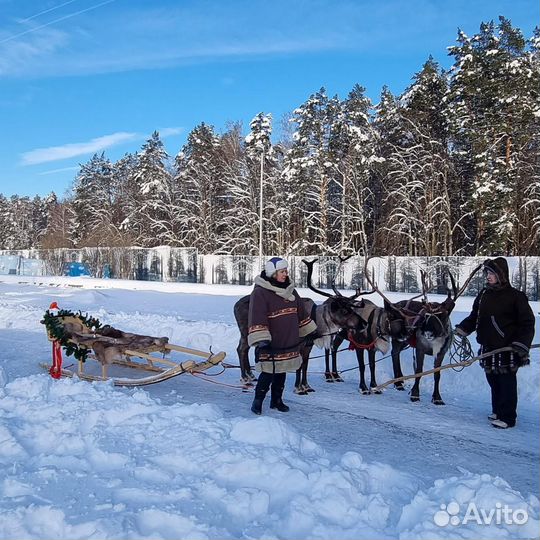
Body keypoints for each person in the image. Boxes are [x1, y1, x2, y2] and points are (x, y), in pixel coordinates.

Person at [455, 257, 535, 429]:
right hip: (488, 346)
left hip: (507, 347)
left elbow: (527, 323)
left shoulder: (516, 297)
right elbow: (475, 317)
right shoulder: (484, 295)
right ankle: (498, 410)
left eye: (491, 273)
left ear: (501, 275)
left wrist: (521, 344)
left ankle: (508, 417)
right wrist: (463, 329)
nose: (488, 276)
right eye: (487, 273)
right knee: (493, 380)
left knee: (506, 382)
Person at [248, 257, 317, 415]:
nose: (286, 274)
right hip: (271, 341)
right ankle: (258, 400)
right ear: (273, 273)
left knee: (282, 372)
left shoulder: (291, 290)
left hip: (289, 339)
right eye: (282, 271)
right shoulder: (261, 292)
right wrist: (261, 338)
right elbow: (257, 315)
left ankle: (277, 400)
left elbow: (301, 311)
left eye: (286, 271)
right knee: (268, 372)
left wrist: (309, 330)